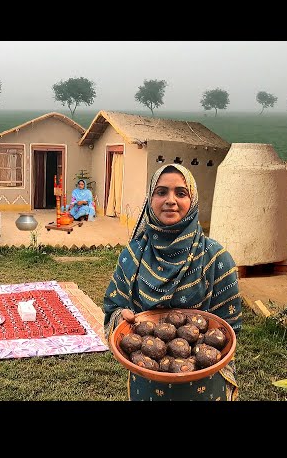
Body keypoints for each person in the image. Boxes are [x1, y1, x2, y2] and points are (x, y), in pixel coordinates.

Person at [103, 163, 242, 401]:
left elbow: (228, 330)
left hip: (204, 383)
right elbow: (112, 307)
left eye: (181, 193)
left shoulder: (215, 258)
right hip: (147, 380)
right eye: (161, 192)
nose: (170, 200)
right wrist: (121, 318)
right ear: (150, 199)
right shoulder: (132, 255)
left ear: (193, 200)